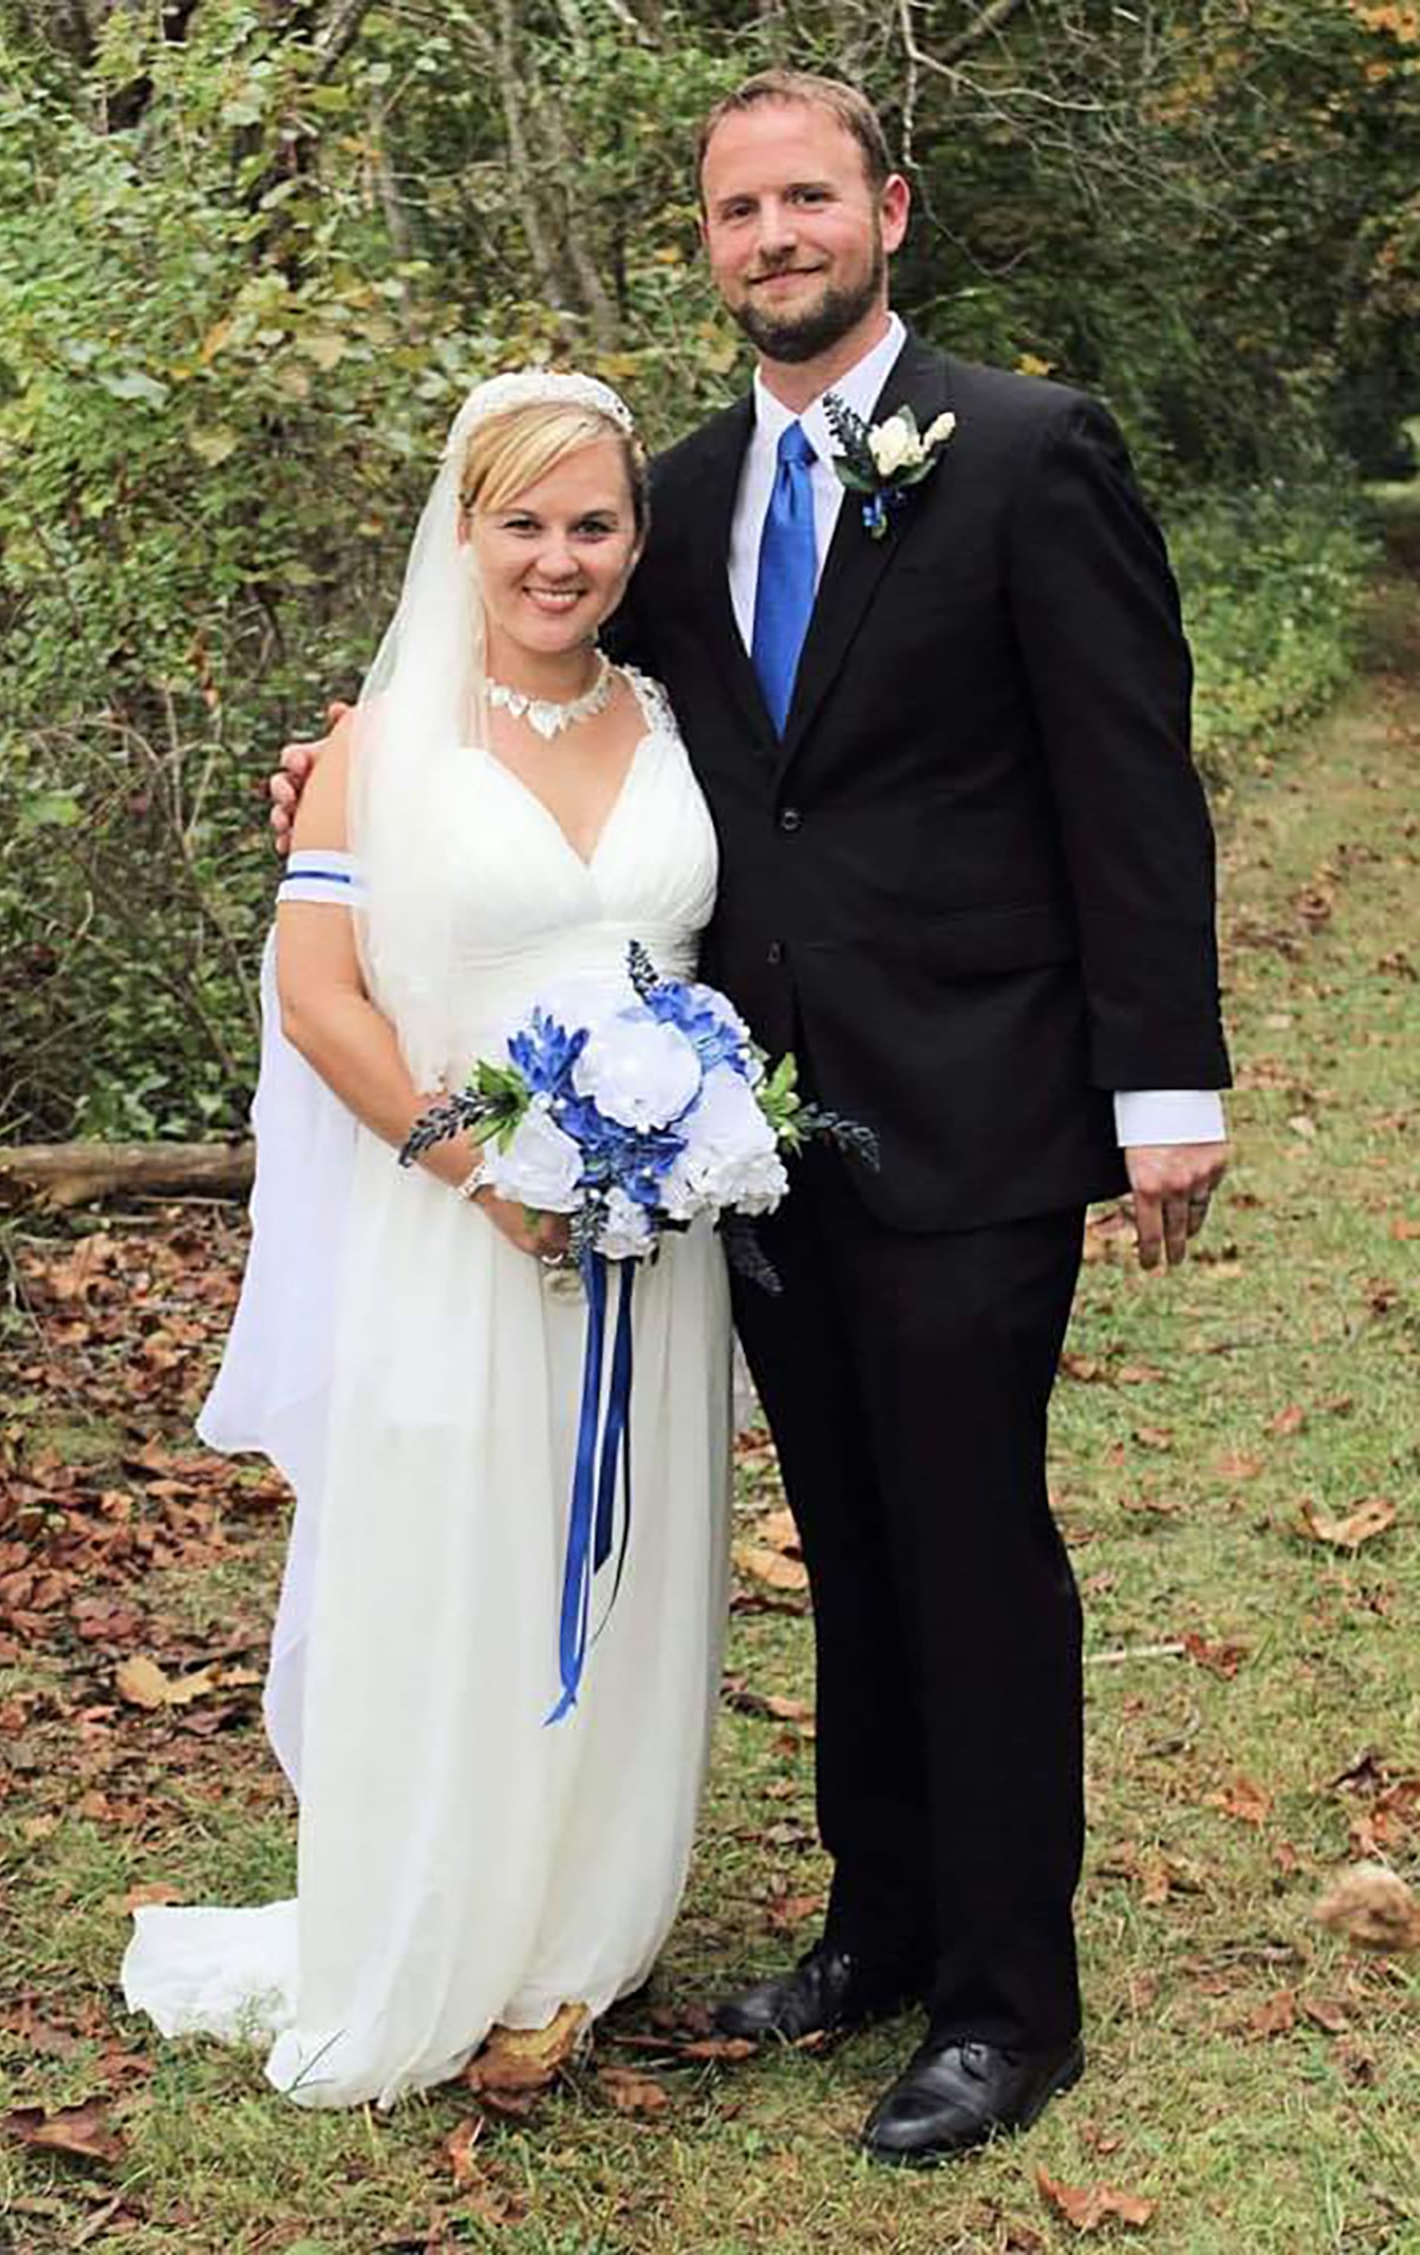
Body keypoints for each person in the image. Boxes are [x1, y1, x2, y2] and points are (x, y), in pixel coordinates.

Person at [271, 72, 1232, 2163]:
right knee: (854, 1544)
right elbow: (541, 703)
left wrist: (1161, 1081)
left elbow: (1126, 786)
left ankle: (1004, 1998)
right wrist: (349, 778)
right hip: (747, 1140)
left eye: (805, 196)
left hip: (978, 1113)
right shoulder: (676, 492)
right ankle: (874, 1928)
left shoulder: (1028, 451)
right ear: (704, 243)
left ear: (883, 208)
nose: (771, 234)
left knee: (970, 1547)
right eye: (733, 209)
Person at [121, 371, 733, 2108]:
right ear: (461, 532)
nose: (558, 558)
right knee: (456, 1561)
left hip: (652, 1242)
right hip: (459, 1229)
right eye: (521, 522)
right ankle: (432, 1927)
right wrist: (485, 1171)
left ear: (634, 538)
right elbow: (319, 999)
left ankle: (576, 1943)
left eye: (592, 523)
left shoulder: (678, 720)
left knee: (627, 1563)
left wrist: (678, 1143)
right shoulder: (381, 748)